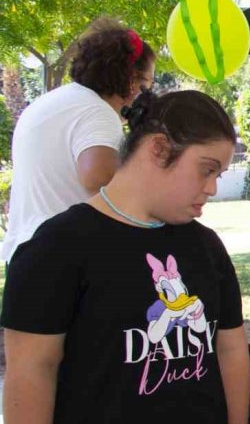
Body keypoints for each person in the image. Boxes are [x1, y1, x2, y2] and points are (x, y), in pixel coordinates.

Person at [1, 90, 249, 424]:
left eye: (218, 174)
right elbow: (31, 370)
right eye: (205, 169)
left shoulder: (205, 247)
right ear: (158, 149)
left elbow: (231, 349)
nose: (212, 188)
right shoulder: (57, 248)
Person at [2, 17, 155, 262]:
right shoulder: (97, 111)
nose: (144, 94)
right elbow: (98, 178)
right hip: (63, 256)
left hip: (27, 252)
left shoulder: (54, 102)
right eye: (146, 84)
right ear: (130, 79)